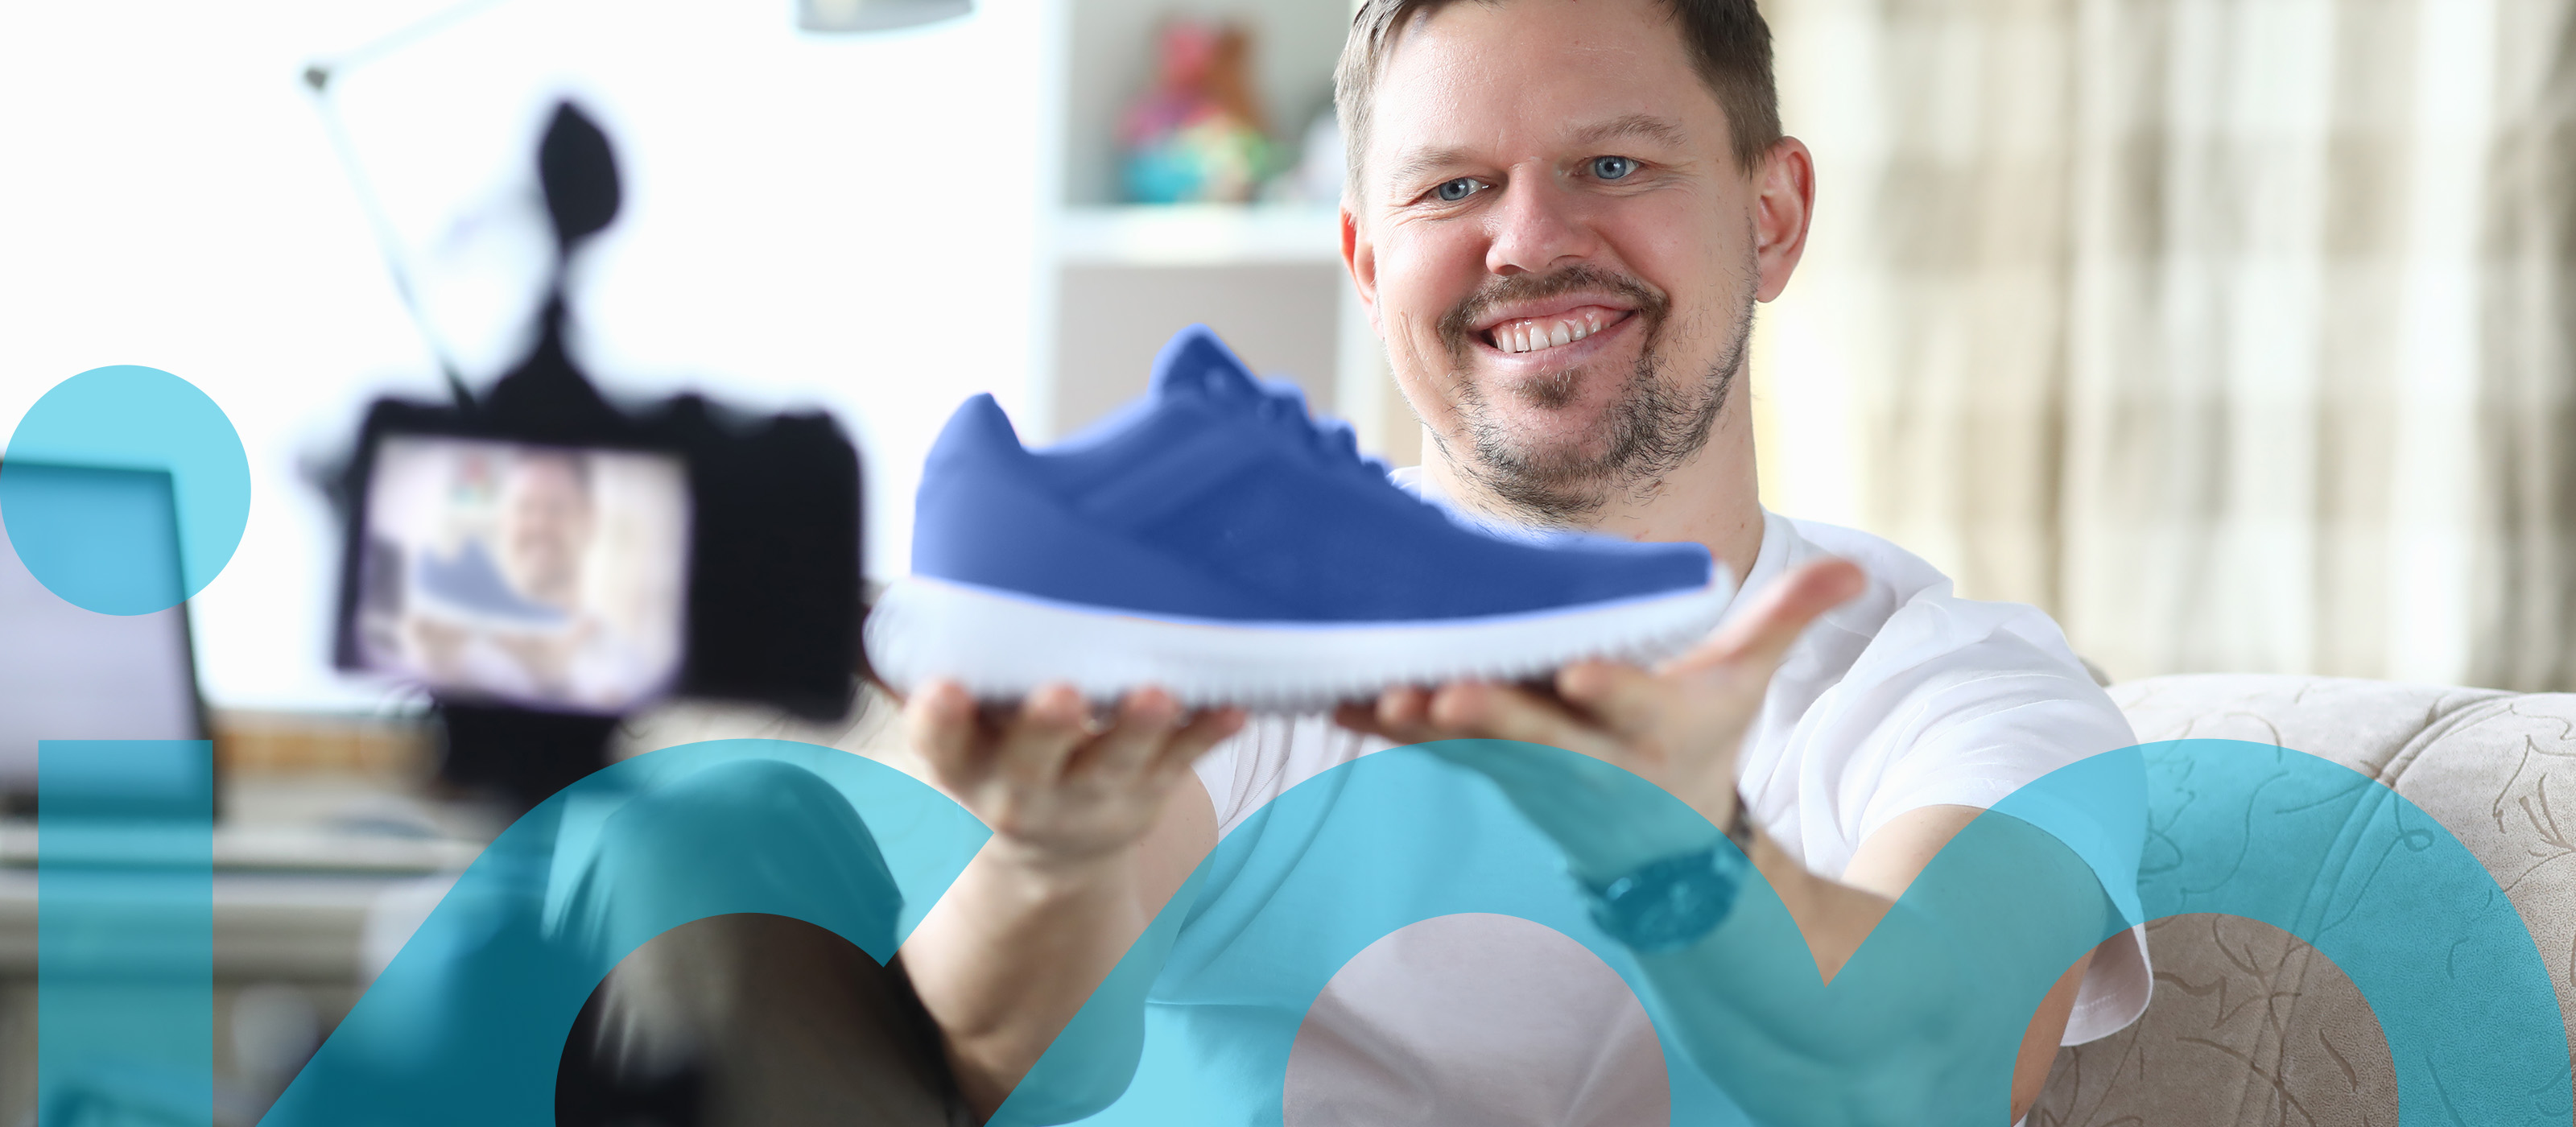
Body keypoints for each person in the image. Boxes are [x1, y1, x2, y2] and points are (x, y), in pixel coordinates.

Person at [572, 1, 2146, 1124]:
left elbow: (1926, 1067)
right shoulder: (1249, 633)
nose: (1525, 239)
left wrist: (1676, 848)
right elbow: (996, 1062)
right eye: (1452, 185)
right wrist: (1050, 855)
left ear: (1774, 213)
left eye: (1613, 165)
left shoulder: (1962, 684)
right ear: (1364, 258)